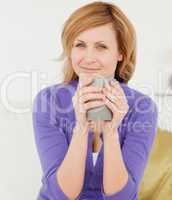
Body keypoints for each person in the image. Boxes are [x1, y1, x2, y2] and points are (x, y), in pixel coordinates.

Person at [32, 1, 158, 200]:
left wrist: (111, 131)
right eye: (80, 45)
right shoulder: (48, 102)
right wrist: (81, 126)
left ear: (120, 53)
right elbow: (60, 195)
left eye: (101, 47)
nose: (89, 58)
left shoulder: (142, 108)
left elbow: (122, 197)